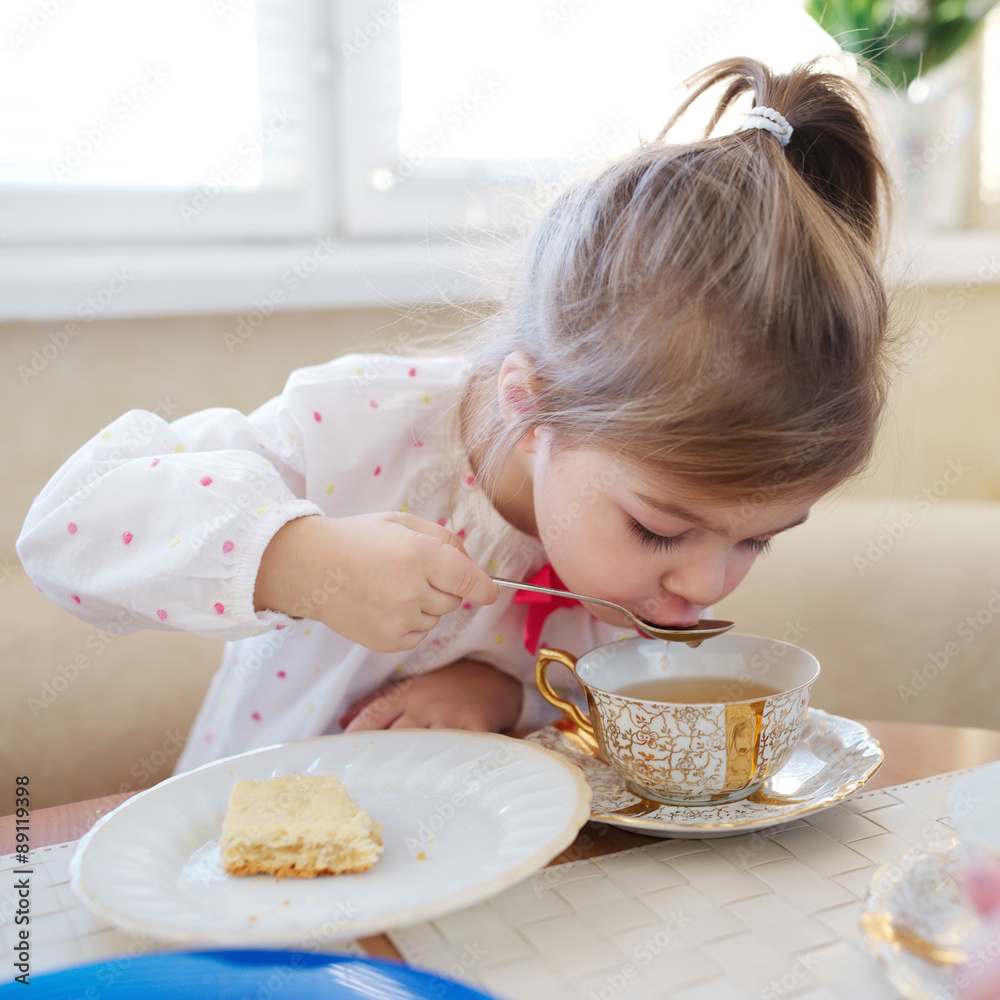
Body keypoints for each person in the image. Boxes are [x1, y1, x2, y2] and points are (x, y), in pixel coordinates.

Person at [17, 56, 897, 773]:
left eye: (757, 539)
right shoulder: (360, 429)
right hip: (256, 890)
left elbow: (586, 713)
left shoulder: (630, 530)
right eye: (662, 531)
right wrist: (298, 560)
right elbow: (67, 530)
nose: (706, 588)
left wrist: (496, 691)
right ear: (533, 402)